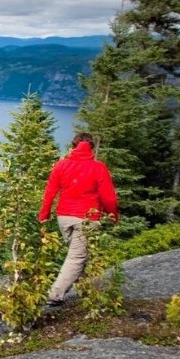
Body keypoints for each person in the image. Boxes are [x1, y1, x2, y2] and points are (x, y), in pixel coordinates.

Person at [38, 132, 118, 307]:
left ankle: (88, 289)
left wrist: (44, 214)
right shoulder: (98, 168)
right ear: (92, 148)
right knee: (77, 257)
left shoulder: (61, 165)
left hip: (64, 218)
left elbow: (50, 192)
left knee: (79, 255)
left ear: (73, 146)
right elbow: (109, 198)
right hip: (87, 219)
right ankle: (55, 295)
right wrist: (113, 215)